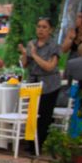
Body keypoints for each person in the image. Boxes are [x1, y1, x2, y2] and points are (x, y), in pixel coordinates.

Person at [18, 17, 61, 149]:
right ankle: (31, 142)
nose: (41, 30)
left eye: (44, 27)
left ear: (50, 30)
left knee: (44, 115)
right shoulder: (32, 43)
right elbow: (25, 64)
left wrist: (35, 55)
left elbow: (50, 67)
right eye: (39, 26)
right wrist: (25, 53)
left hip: (49, 84)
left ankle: (40, 144)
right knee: (32, 114)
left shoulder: (54, 45)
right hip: (33, 83)